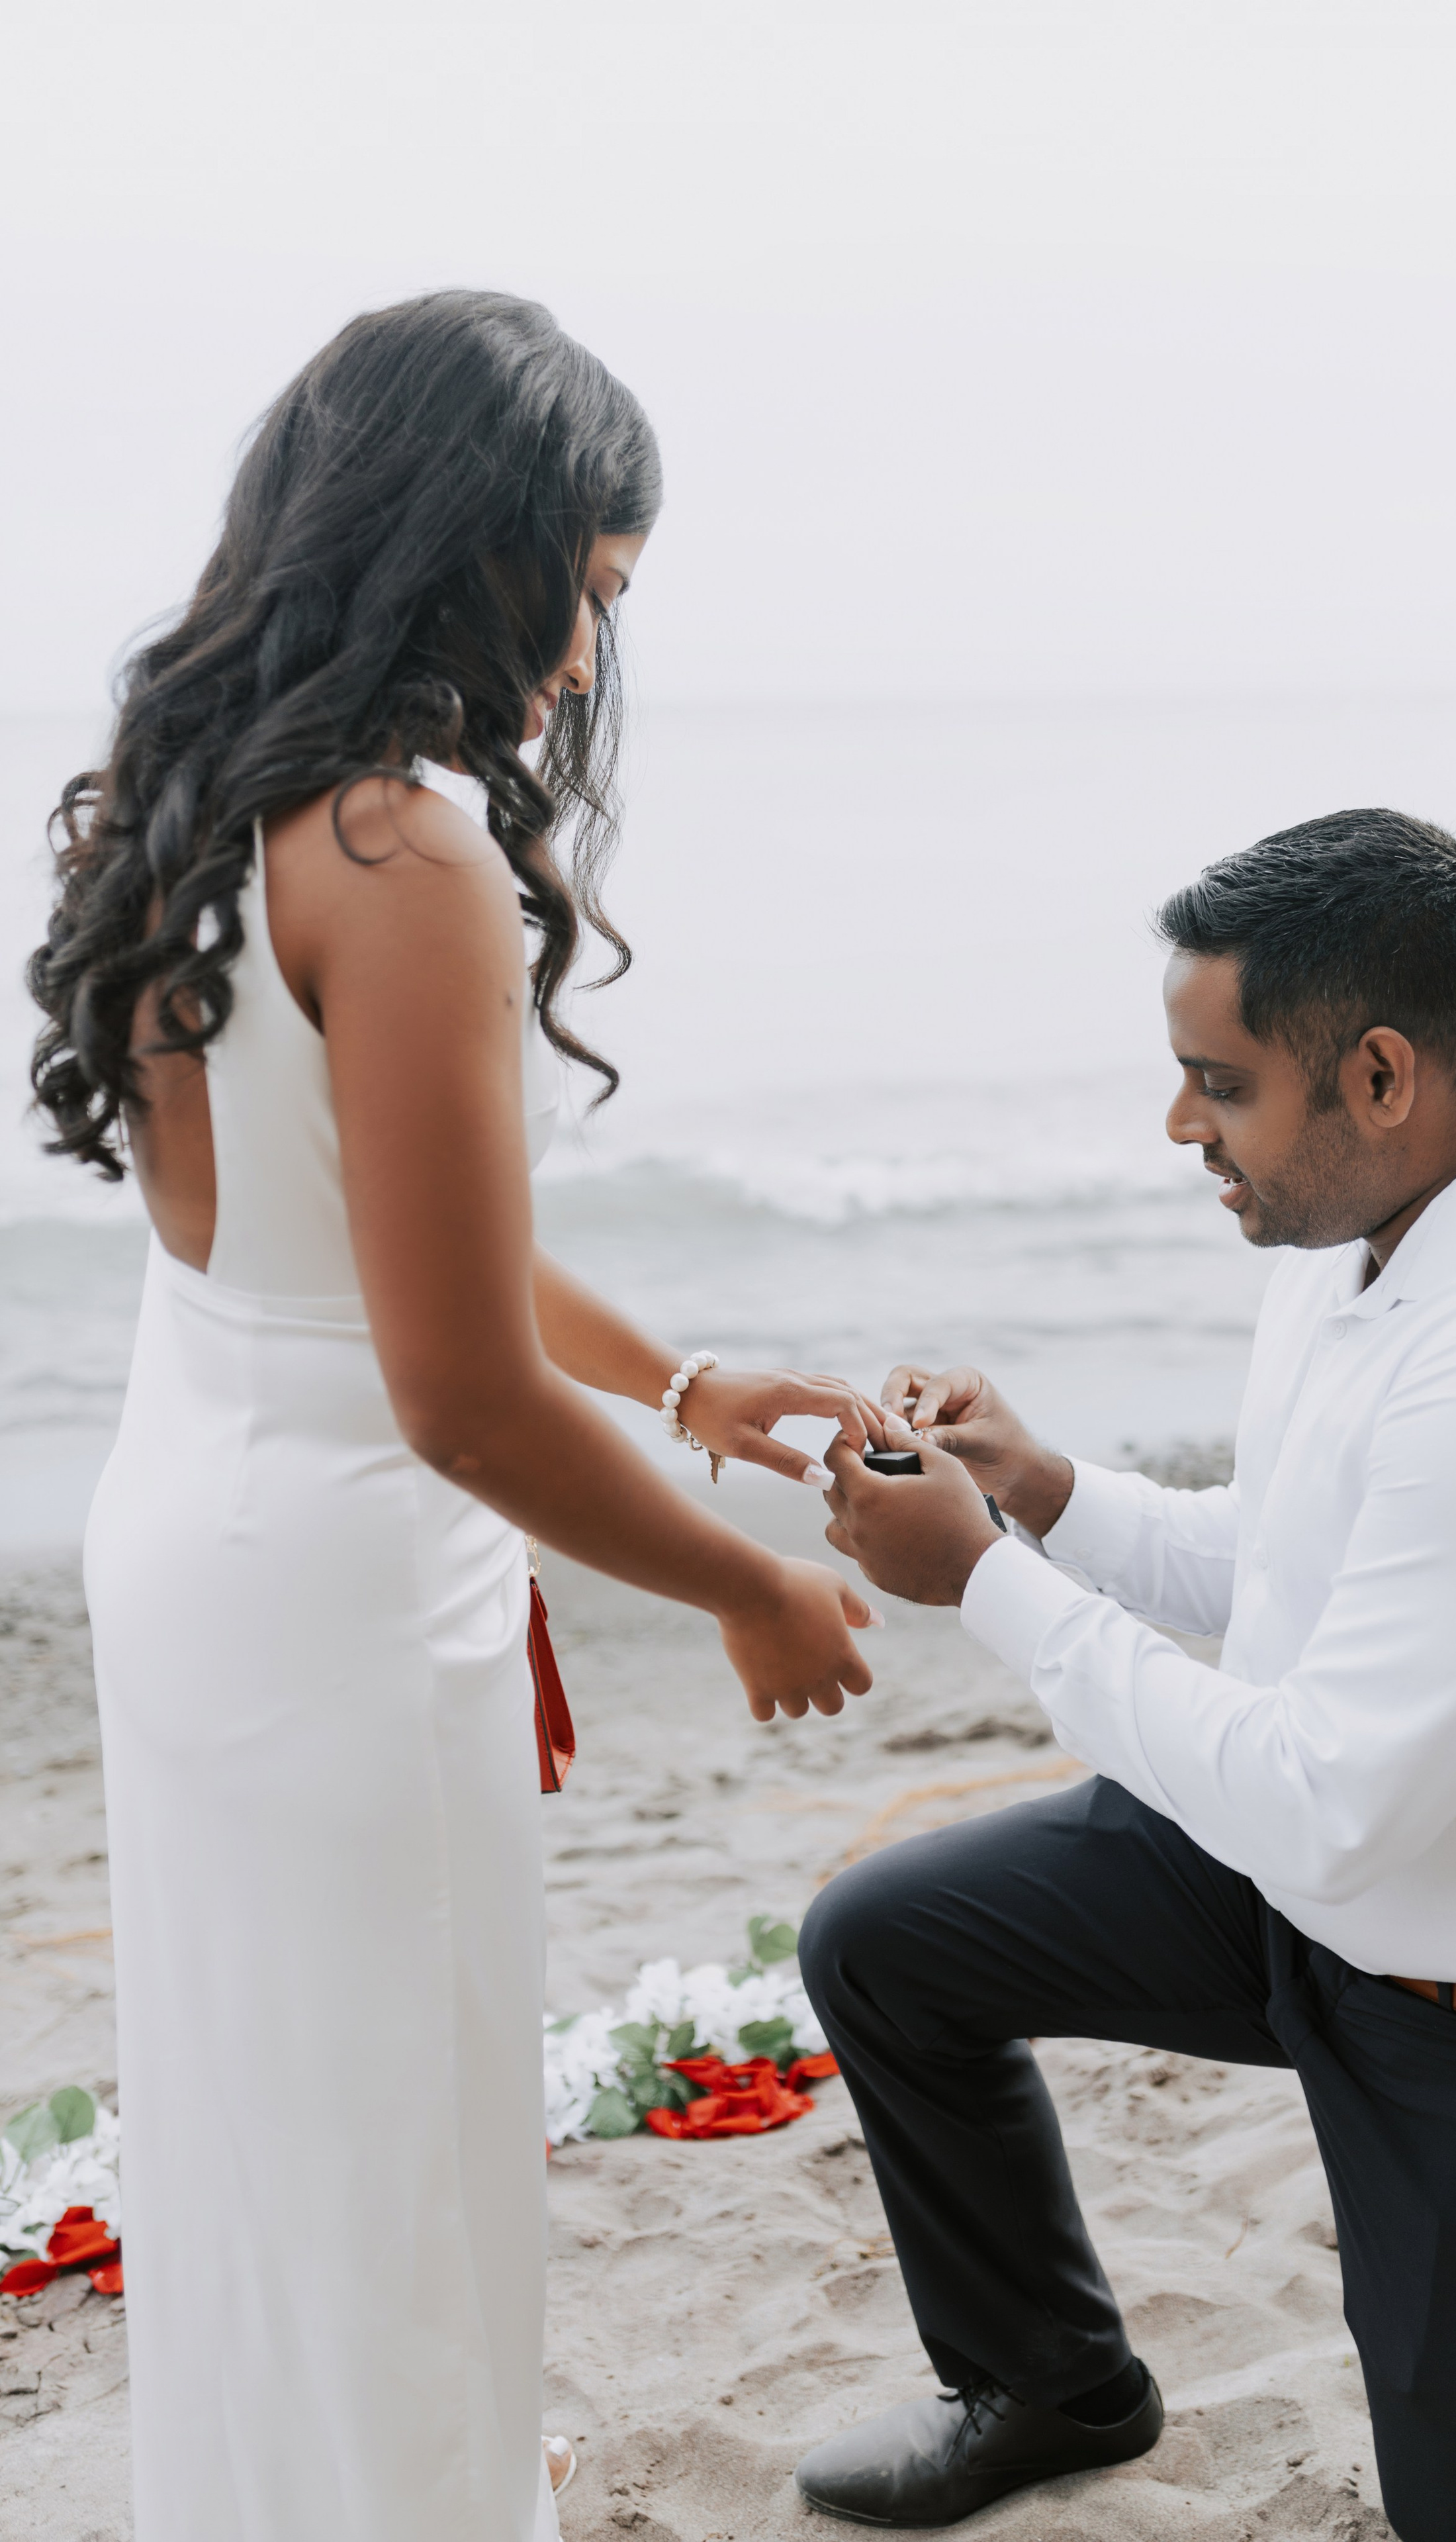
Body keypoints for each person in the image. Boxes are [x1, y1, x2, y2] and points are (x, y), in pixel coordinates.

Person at [27, 291, 886, 2542]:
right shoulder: (413, 865)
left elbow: (353, 1246)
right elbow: (461, 1397)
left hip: (193, 1541)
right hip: (342, 1601)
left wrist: (690, 1387)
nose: (590, 663)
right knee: (394, 2150)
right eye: (588, 594)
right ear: (472, 546)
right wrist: (749, 1584)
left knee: (261, 2138)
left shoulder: (188, 807)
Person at [798, 808, 1456, 2542]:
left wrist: (982, 1575)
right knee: (888, 1945)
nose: (1177, 1124)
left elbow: (1325, 1796)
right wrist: (1047, 1496)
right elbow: (1282, 1560)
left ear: (1376, 1076)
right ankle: (1047, 2386)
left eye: (1217, 1083)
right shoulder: (1359, 1229)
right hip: (1303, 1891)